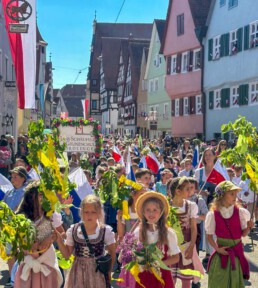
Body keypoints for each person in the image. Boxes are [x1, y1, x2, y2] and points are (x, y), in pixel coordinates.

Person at [56, 195, 116, 288]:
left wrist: (108, 271)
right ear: (81, 212)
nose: (89, 215)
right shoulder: (74, 230)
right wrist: (59, 240)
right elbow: (67, 254)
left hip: (97, 271)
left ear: (99, 213)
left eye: (93, 212)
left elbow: (112, 252)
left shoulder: (105, 231)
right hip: (77, 272)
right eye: (86, 212)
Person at [205, 181, 253, 288]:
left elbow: (244, 234)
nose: (235, 197)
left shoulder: (240, 212)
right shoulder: (213, 214)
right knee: (219, 281)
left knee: (235, 280)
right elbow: (209, 236)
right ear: (222, 196)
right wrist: (217, 249)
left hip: (236, 253)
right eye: (232, 194)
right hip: (221, 253)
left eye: (235, 194)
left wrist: (249, 227)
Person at [14, 180, 63, 288]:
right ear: (31, 196)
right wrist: (28, 245)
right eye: (40, 194)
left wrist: (51, 238)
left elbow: (62, 233)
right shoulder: (21, 216)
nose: (44, 197)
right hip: (28, 259)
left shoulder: (51, 213)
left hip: (47, 260)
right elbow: (15, 238)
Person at [134, 191, 180, 288]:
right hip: (143, 274)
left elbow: (176, 257)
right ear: (143, 212)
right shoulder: (138, 232)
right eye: (148, 210)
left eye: (155, 210)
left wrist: (159, 264)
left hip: (162, 274)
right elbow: (133, 253)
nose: (151, 213)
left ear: (161, 212)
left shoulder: (168, 233)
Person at [168, 177, 204, 288]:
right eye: (187, 189)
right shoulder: (165, 205)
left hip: (186, 246)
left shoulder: (191, 206)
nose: (191, 192)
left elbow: (194, 228)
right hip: (169, 247)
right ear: (178, 191)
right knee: (169, 278)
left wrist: (191, 246)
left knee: (186, 279)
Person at [116, 189, 143, 287]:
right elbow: (121, 233)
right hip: (129, 248)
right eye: (141, 193)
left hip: (143, 249)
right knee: (129, 277)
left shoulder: (146, 210)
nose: (144, 196)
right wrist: (119, 219)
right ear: (133, 194)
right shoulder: (126, 209)